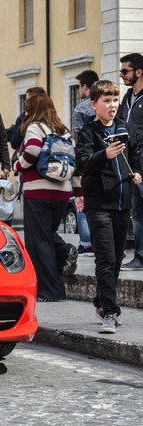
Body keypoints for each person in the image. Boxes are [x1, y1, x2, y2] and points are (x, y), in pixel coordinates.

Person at [76, 80, 142, 333]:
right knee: (105, 259)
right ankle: (111, 313)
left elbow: (135, 154)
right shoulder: (88, 132)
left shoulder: (124, 128)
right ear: (94, 104)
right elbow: (81, 164)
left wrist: (136, 172)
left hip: (122, 203)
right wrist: (105, 155)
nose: (112, 105)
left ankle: (102, 302)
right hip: (98, 205)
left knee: (116, 260)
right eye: (106, 101)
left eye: (115, 100)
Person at [13, 93, 81, 301]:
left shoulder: (35, 127)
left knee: (38, 242)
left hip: (38, 192)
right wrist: (78, 193)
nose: (25, 112)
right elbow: (76, 165)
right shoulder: (64, 131)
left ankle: (49, 291)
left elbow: (32, 150)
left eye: (28, 108)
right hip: (61, 193)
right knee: (48, 236)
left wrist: (18, 165)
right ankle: (65, 250)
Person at [118, 53, 143, 271]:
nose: (121, 74)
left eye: (125, 71)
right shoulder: (127, 97)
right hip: (131, 164)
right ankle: (140, 257)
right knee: (137, 213)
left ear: (138, 71)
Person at [73, 70, 100, 257]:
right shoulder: (108, 104)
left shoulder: (80, 109)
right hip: (107, 157)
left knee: (82, 201)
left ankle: (86, 243)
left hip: (87, 159)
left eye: (79, 87)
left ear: (85, 86)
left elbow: (77, 135)